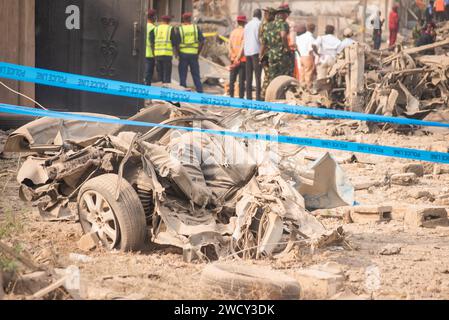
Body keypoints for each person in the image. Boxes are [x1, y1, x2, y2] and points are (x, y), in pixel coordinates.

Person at [261, 4, 295, 93]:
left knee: (272, 78)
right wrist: (287, 49)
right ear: (283, 14)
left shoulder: (268, 25)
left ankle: (268, 96)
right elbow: (283, 35)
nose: (287, 16)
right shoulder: (284, 24)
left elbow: (264, 43)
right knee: (285, 77)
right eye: (287, 14)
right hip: (282, 56)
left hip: (271, 55)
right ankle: (282, 96)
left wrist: (261, 55)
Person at [177, 12, 205, 93]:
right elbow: (202, 41)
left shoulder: (181, 29)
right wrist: (198, 52)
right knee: (196, 74)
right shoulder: (195, 28)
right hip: (193, 54)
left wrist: (179, 53)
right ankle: (200, 91)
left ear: (183, 19)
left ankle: (183, 92)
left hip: (183, 54)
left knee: (183, 75)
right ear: (190, 19)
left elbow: (177, 43)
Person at [151, 15, 178, 84]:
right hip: (167, 55)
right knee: (167, 76)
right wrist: (176, 54)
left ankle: (159, 90)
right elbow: (174, 42)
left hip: (157, 55)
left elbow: (152, 42)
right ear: (169, 21)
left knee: (160, 75)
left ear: (162, 21)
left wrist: (154, 54)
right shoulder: (170, 28)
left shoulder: (156, 28)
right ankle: (166, 91)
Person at [244, 9, 262, 100]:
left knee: (248, 76)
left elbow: (245, 39)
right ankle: (258, 97)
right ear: (260, 15)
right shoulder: (259, 24)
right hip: (256, 52)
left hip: (247, 52)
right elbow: (260, 39)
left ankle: (248, 97)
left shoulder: (247, 25)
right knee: (258, 76)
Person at [260, 7, 276, 100]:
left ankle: (266, 96)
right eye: (265, 13)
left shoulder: (267, 24)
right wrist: (261, 55)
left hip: (269, 53)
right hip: (267, 54)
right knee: (268, 76)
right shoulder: (266, 25)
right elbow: (262, 42)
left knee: (269, 76)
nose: (265, 15)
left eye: (267, 13)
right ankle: (264, 97)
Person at [229, 15, 247, 98]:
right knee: (241, 81)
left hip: (233, 59)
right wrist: (238, 58)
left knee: (232, 80)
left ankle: (231, 96)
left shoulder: (233, 32)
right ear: (244, 22)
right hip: (241, 60)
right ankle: (241, 98)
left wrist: (233, 57)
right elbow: (243, 47)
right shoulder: (244, 32)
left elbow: (229, 46)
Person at [296, 23, 316, 90]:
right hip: (308, 56)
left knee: (302, 74)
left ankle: (301, 88)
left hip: (301, 56)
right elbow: (310, 50)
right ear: (313, 29)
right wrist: (313, 60)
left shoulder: (300, 37)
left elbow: (297, 47)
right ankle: (308, 89)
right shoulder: (311, 38)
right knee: (308, 73)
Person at [145, 9, 157, 85]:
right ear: (153, 17)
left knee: (143, 74)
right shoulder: (153, 28)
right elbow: (153, 43)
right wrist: (155, 55)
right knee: (148, 75)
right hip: (150, 55)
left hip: (142, 53)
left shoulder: (144, 26)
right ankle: (146, 93)